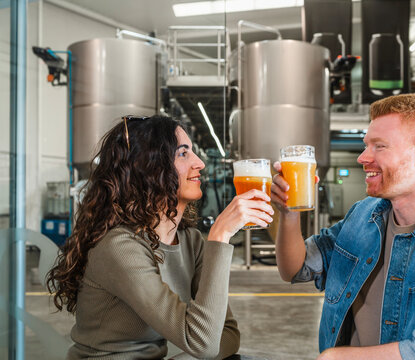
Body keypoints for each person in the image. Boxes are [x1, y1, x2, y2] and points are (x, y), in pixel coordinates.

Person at [271, 94, 415, 359]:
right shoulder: (363, 215)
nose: (362, 157)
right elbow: (295, 269)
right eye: (366, 145)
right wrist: (289, 213)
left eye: (379, 146)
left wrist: (333, 357)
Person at [47, 115, 274, 359]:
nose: (200, 163)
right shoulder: (120, 247)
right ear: (149, 168)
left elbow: (227, 334)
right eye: (183, 154)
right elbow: (204, 344)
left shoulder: (191, 242)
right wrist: (220, 236)